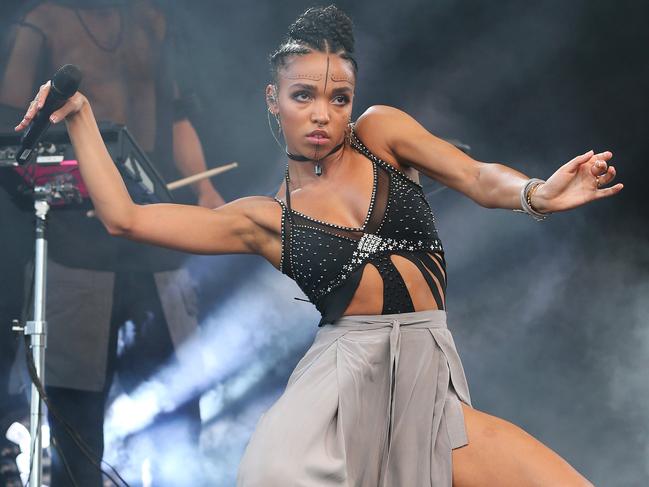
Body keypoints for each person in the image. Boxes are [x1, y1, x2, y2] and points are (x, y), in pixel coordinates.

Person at [15, 5, 623, 486]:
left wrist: (536, 193)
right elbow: (124, 218)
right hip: (333, 398)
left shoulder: (382, 135)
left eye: (339, 98)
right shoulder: (263, 220)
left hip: (427, 390)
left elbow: (477, 175)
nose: (323, 114)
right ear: (273, 102)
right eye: (303, 95)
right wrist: (81, 115)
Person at [1, 1, 224, 485]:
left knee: (177, 405)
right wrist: (65, 180)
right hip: (77, 246)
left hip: (155, 235)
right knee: (76, 418)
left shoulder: (153, 19)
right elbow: (9, 127)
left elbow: (179, 114)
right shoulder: (42, 22)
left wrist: (204, 190)